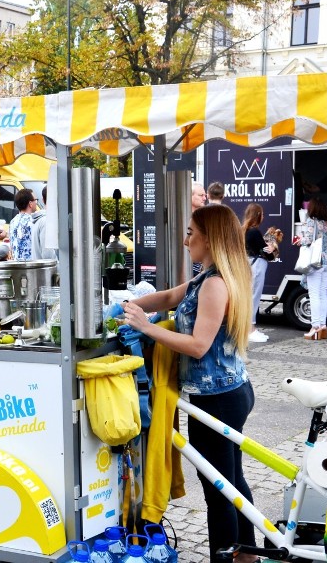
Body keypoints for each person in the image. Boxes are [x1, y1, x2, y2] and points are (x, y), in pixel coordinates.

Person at [122, 204, 255, 562]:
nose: (186, 241)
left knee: (219, 487)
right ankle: (250, 554)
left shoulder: (214, 284)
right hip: (228, 392)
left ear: (209, 239)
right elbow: (167, 297)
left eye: (191, 233)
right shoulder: (206, 276)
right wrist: (127, 305)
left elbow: (198, 346)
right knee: (230, 479)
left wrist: (147, 327)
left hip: (219, 397)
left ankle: (227, 557)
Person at [293, 198, 327, 340]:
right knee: (323, 293)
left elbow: (308, 240)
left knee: (313, 294)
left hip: (316, 261)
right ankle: (323, 326)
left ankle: (315, 327)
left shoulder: (312, 221)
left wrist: (299, 240)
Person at [242, 203, 273, 343]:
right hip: (256, 266)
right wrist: (272, 249)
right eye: (262, 214)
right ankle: (250, 329)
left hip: (247, 265)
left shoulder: (244, 230)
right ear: (258, 215)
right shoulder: (254, 231)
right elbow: (267, 252)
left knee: (249, 297)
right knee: (254, 297)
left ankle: (250, 328)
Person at [9, 189, 37, 260]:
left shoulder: (12, 222)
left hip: (16, 265)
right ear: (30, 203)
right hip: (30, 266)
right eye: (36, 200)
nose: (36, 202)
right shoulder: (32, 221)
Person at [31, 185, 57, 261]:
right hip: (49, 272)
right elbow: (48, 255)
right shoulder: (46, 221)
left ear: (43, 200)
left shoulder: (38, 220)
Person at [190, 183, 207, 276]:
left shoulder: (204, 218)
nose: (204, 198)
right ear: (190, 196)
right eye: (201, 195)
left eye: (205, 195)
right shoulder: (181, 218)